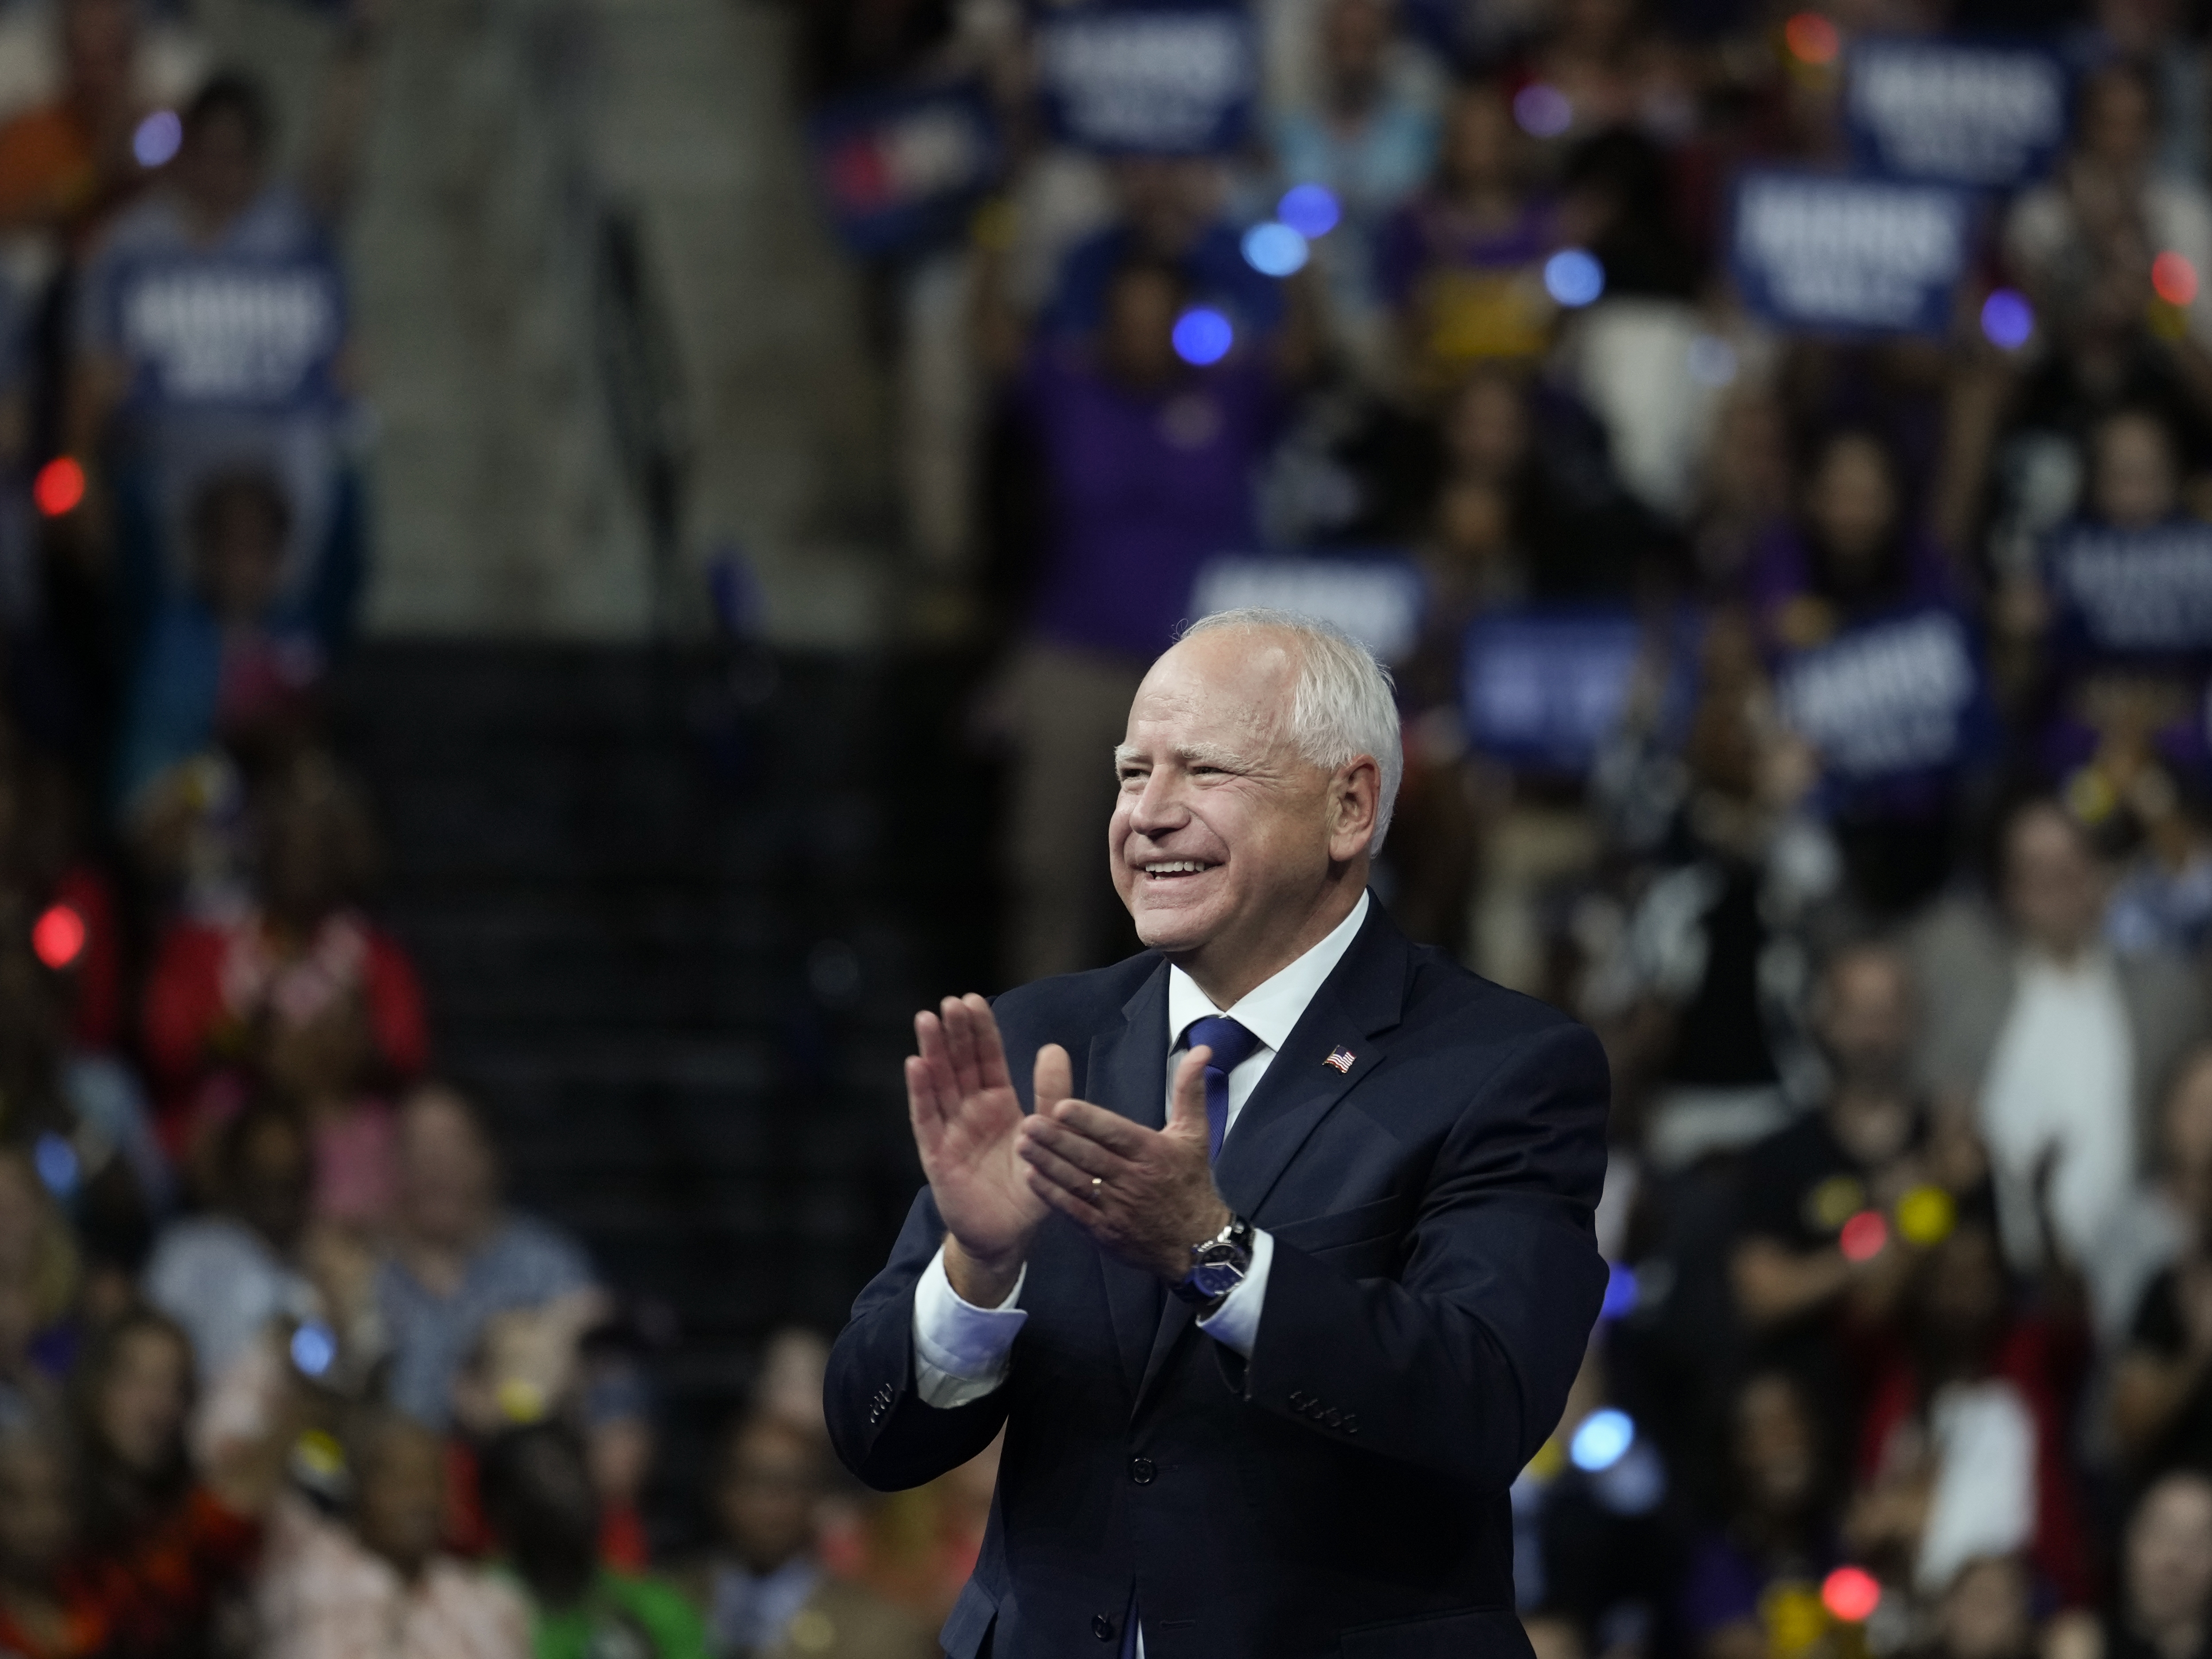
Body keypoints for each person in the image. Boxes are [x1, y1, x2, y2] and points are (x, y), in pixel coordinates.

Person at [826, 608, 1610, 1656]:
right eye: (1128, 772)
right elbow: (876, 1435)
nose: (1146, 814)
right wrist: (977, 1263)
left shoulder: (1502, 1065)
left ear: (1349, 803)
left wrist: (1220, 1257)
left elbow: (1486, 1403)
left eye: (1203, 771)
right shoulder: (1036, 1039)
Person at [1912, 798, 2204, 1281]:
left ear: (2101, 874)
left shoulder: (2164, 995)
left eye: (2072, 864)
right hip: (1998, 1277)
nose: (2059, 886)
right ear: (2008, 889)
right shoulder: (1963, 990)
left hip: (2133, 1267)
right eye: (2036, 871)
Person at [377, 1084, 598, 1429]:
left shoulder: (546, 1265)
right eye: (417, 1147)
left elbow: (612, 1389)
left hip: (516, 1459)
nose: (434, 1164)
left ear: (489, 1157)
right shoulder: (364, 1267)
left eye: (450, 1146)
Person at [254, 1407, 531, 1659]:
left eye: (432, 1481)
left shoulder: (488, 1601)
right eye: (401, 1481)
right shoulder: (310, 1577)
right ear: (361, 1490)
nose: (421, 1499)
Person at [689, 1413, 935, 1659]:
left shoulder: (882, 1629)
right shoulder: (669, 1598)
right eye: (751, 1481)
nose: (766, 1505)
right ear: (719, 1489)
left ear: (819, 1495)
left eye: (787, 1485)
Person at [479, 1421, 705, 1659]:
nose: (570, 1493)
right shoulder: (470, 1607)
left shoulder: (657, 1608)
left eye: (576, 1469)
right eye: (542, 1479)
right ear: (501, 1508)